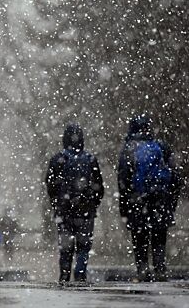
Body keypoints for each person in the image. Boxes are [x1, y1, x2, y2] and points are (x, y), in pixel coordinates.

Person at [117, 114, 181, 282]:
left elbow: (123, 181)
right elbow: (176, 177)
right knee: (159, 237)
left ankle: (143, 269)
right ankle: (160, 269)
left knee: (140, 238)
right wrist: (170, 201)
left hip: (138, 202)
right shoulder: (161, 147)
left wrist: (124, 209)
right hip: (160, 201)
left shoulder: (129, 149)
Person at [45, 123, 104, 283]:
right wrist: (92, 203)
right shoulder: (90, 160)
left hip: (64, 212)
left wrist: (58, 203)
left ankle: (64, 274)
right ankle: (80, 273)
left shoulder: (57, 160)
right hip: (85, 212)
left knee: (66, 248)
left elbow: (50, 186)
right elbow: (99, 186)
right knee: (83, 247)